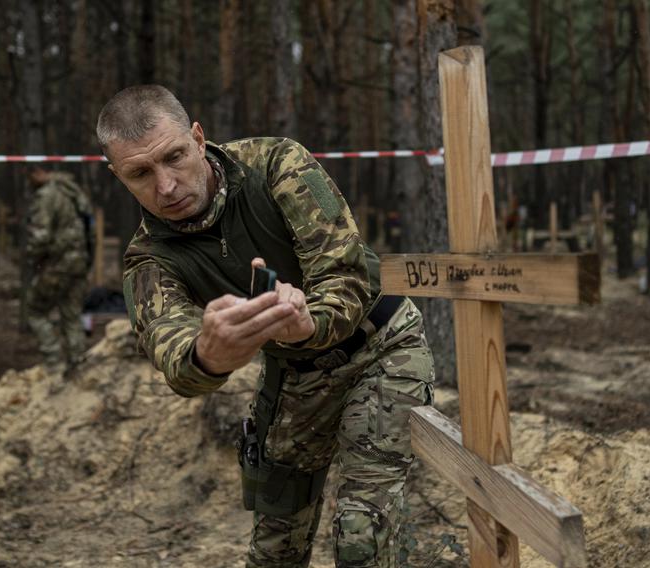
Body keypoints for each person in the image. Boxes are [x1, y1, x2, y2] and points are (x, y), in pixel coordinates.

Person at [98, 85, 435, 567]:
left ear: (198, 138)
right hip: (296, 373)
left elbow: (345, 274)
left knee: (363, 535)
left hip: (380, 346)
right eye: (140, 174)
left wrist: (307, 323)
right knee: (274, 543)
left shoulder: (275, 164)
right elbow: (171, 348)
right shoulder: (148, 258)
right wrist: (208, 355)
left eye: (174, 157)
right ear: (117, 176)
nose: (166, 185)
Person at [25, 166, 93, 373]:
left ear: (38, 171)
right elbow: (90, 227)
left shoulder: (47, 196)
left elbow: (41, 236)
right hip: (78, 263)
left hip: (57, 266)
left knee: (35, 310)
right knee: (72, 316)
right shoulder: (72, 191)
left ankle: (53, 362)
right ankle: (78, 364)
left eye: (30, 176)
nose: (29, 181)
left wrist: (33, 257)